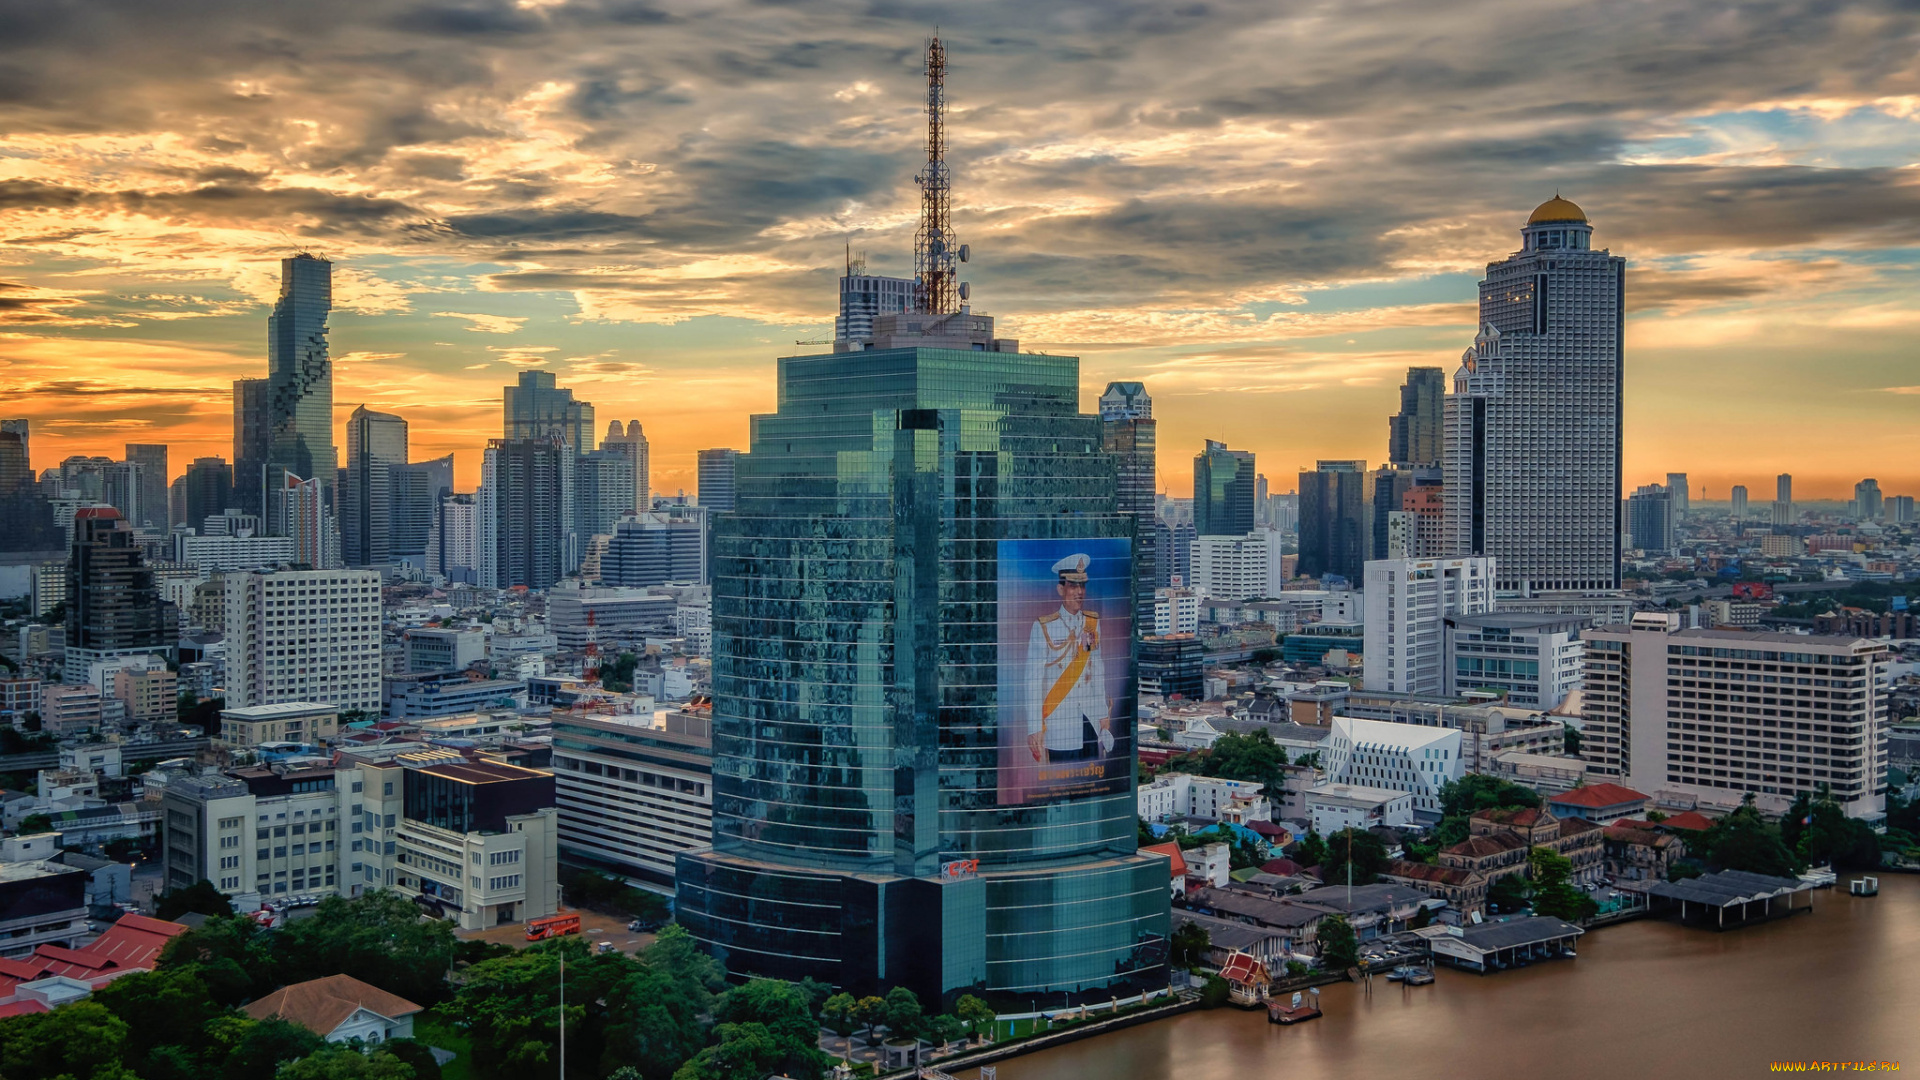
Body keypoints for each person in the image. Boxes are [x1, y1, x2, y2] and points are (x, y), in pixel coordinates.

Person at [1024, 552, 1114, 765]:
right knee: (1063, 782)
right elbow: (1033, 682)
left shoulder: (1092, 622)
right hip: (1060, 724)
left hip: (1090, 720)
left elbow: (1097, 669)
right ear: (1061, 589)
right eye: (1073, 586)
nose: (1079, 592)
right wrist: (1034, 728)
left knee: (1090, 779)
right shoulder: (1044, 626)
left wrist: (1102, 713)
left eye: (1082, 586)